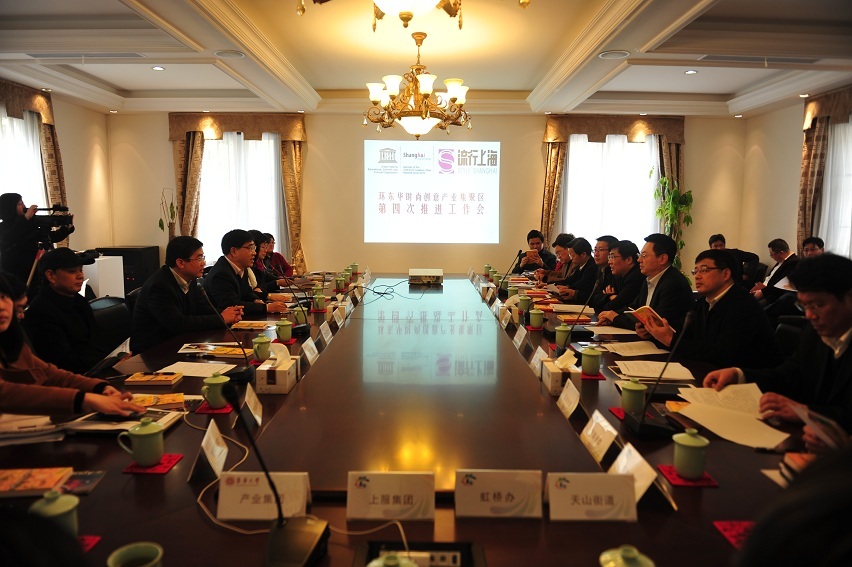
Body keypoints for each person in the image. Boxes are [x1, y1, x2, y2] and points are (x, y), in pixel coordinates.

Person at [704, 254, 852, 432]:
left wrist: (808, 413)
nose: (809, 316)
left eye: (818, 305)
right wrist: (739, 375)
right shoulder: (813, 333)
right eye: (804, 306)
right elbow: (789, 376)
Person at [0, 273, 144, 416]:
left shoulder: (11, 339)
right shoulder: (42, 311)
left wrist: (99, 387)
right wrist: (83, 399)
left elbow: (49, 373)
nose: (2, 306)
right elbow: (5, 393)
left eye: (3, 297)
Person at [639, 249, 782, 368]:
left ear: (725, 274)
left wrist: (671, 339)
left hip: (749, 382)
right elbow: (686, 333)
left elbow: (724, 354)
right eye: (695, 271)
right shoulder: (703, 303)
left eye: (704, 270)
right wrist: (654, 331)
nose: (697, 276)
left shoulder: (743, 305)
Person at [130, 236, 244, 353]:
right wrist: (222, 318)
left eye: (203, 257)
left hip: (181, 342)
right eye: (199, 258)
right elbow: (178, 323)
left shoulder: (190, 279)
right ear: (180, 263)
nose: (203, 263)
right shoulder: (159, 286)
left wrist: (229, 313)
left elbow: (203, 309)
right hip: (155, 351)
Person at [22, 248, 109, 374]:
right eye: (72, 271)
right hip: (68, 378)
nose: (80, 276)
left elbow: (96, 342)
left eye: (81, 270)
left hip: (94, 370)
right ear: (51, 276)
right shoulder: (41, 312)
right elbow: (62, 361)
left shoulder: (79, 300)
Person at [597, 233, 693, 332]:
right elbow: (634, 309)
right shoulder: (649, 280)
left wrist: (615, 318)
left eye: (644, 256)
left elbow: (654, 323)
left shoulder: (673, 283)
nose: (639, 260)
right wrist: (611, 316)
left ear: (662, 259)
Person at [204, 229, 288, 317]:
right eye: (250, 248)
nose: (254, 253)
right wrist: (266, 307)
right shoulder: (221, 274)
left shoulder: (240, 268)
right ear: (234, 251)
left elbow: (247, 293)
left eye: (254, 248)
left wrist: (256, 300)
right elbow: (232, 305)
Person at [0, 193, 75, 286]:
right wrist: (26, 218)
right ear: (10, 207)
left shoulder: (28, 223)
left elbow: (47, 237)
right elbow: (9, 238)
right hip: (15, 274)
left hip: (33, 270)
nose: (24, 206)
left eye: (23, 202)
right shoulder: (3, 227)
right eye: (20, 204)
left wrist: (66, 229)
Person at [592, 240, 643, 313]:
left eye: (612, 257)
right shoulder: (618, 276)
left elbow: (610, 307)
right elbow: (594, 298)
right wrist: (610, 296)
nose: (609, 262)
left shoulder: (636, 278)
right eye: (609, 257)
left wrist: (612, 298)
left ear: (628, 260)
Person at [751, 238, 798, 303]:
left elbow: (780, 285)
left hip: (773, 296)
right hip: (766, 289)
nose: (771, 257)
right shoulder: (782, 260)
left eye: (772, 254)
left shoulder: (793, 263)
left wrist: (762, 292)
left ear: (781, 253)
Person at [555, 237, 597, 304]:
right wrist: (553, 285)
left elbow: (582, 284)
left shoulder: (592, 267)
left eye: (573, 256)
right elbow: (570, 279)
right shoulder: (580, 265)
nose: (571, 258)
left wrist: (567, 288)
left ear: (583, 254)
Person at [585, 235, 617, 309]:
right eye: (595, 250)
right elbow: (593, 297)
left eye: (601, 250)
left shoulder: (615, 273)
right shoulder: (600, 269)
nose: (596, 254)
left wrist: (605, 297)